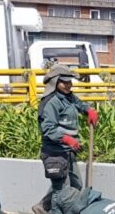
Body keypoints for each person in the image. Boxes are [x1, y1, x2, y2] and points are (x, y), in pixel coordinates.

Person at [37, 70, 92, 199]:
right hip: (55, 151)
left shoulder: (68, 97)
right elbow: (48, 129)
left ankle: (43, 207)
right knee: (62, 189)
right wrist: (67, 139)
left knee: (76, 184)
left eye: (70, 82)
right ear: (55, 83)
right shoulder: (51, 102)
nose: (68, 85)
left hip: (68, 150)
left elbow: (79, 104)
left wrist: (88, 110)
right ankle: (56, 212)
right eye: (64, 82)